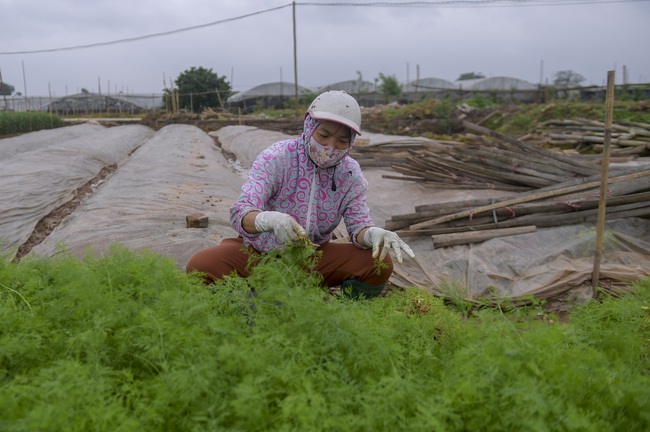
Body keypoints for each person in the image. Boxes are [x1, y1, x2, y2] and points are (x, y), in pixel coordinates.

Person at [186, 90, 415, 298]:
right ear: (309, 126)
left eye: (342, 141)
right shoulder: (277, 157)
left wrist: (373, 233)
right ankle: (247, 302)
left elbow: (358, 226)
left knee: (379, 261)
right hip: (258, 254)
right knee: (201, 264)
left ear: (352, 142)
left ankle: (348, 316)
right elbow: (240, 212)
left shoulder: (350, 174)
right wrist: (269, 220)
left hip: (310, 259)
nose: (330, 147)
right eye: (323, 135)